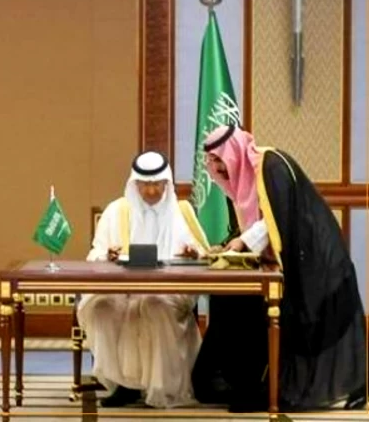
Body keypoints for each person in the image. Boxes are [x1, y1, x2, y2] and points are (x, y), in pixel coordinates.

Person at [192, 124, 366, 412]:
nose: (217, 168)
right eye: (211, 161)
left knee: (312, 323)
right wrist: (229, 245)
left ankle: (330, 387)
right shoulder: (244, 178)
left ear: (234, 152)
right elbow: (254, 224)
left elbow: (277, 218)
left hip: (314, 261)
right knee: (229, 300)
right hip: (287, 261)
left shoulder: (270, 166)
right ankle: (238, 381)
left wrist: (242, 243)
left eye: (219, 159)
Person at [79, 151, 209, 409]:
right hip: (123, 289)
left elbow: (205, 256)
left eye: (157, 184)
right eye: (144, 184)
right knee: (103, 307)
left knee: (152, 304)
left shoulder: (182, 213)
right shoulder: (116, 211)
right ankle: (121, 384)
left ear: (166, 183)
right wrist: (108, 255)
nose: (150, 191)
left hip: (170, 292)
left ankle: (159, 387)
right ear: (134, 183)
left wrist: (193, 253)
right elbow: (95, 255)